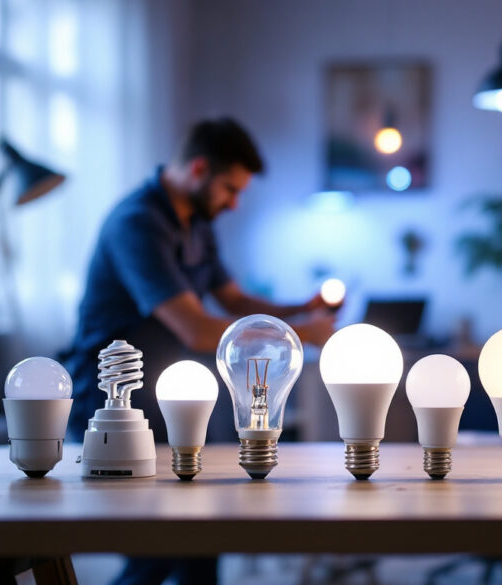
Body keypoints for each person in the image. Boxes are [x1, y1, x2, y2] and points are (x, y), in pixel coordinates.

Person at [59, 117, 335, 585]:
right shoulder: (138, 224)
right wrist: (302, 334)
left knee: (200, 531)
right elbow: (197, 330)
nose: (234, 203)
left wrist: (301, 309)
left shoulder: (198, 221)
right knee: (162, 544)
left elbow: (234, 301)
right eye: (230, 189)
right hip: (115, 404)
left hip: (169, 399)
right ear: (200, 168)